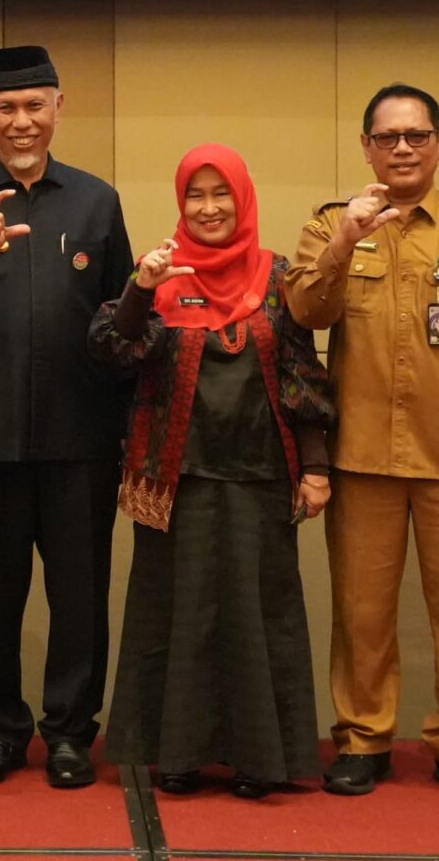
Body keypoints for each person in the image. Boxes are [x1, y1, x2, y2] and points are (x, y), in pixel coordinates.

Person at [284, 84, 439, 803]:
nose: (402, 149)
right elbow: (304, 310)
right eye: (387, 137)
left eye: (416, 136)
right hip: (362, 454)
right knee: (361, 612)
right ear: (366, 148)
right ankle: (363, 739)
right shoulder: (332, 223)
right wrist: (344, 241)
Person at [0, 46, 133, 788]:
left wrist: (129, 432)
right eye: (5, 108)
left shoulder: (97, 201)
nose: (21, 121)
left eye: (35, 105)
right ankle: (1, 734)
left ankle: (70, 735)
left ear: (58, 107)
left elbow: (123, 320)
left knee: (80, 596)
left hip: (81, 438)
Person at [93, 144, 333, 800]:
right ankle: (177, 754)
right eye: (194, 196)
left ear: (242, 197)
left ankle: (261, 759)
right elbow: (113, 350)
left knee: (258, 616)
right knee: (178, 614)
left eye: (220, 193)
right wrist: (141, 288)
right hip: (174, 480)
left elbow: (302, 376)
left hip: (262, 476)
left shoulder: (279, 277)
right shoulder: (158, 274)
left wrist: (315, 468)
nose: (208, 208)